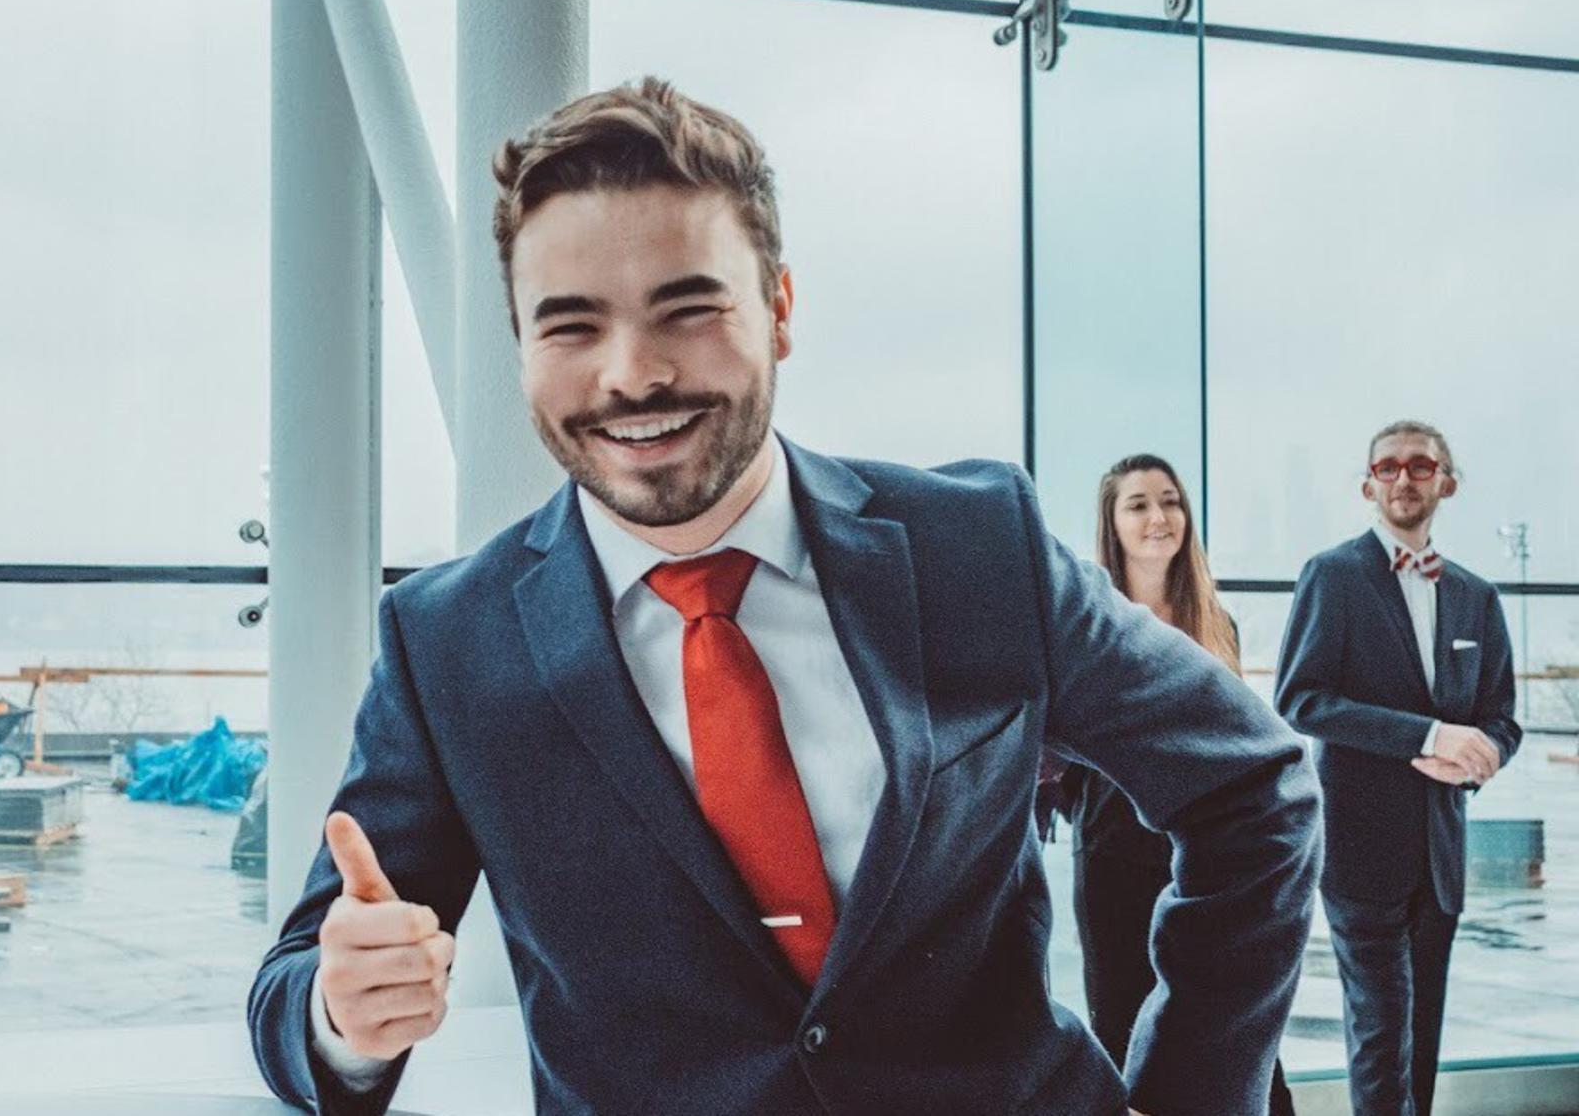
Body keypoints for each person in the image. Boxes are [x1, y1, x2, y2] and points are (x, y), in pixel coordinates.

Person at [247, 78, 1320, 1115]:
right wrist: (342, 1012)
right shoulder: (450, 647)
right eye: (571, 325)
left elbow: (1253, 791)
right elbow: (295, 985)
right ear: (522, 345)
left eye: (687, 307)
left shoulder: (973, 548)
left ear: (780, 309)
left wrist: (1189, 1095)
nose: (632, 374)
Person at [1274, 421, 1520, 1116]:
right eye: (1388, 467)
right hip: (1360, 847)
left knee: (1421, 1037)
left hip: (1440, 853)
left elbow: (1502, 719)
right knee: (1382, 1033)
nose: (1404, 478)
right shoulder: (1334, 575)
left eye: (1420, 465)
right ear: (1368, 485)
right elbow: (1300, 698)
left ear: (1447, 482)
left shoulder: (1478, 596)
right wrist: (1432, 733)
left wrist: (1485, 754)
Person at [1063, 455, 1295, 1114]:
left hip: (1212, 858)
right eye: (1138, 504)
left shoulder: (1217, 624)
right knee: (1124, 1033)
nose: (1159, 517)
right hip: (1115, 854)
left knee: (1243, 1034)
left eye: (1170, 501)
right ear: (1112, 522)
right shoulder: (1088, 622)